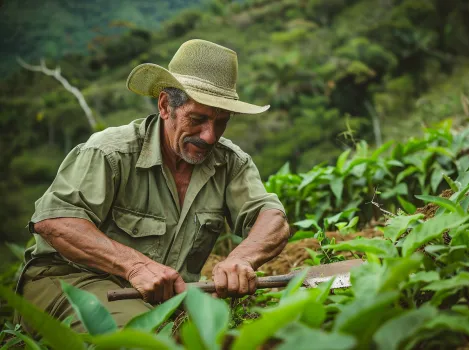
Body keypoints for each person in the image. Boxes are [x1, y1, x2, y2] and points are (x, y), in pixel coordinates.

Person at [16, 39, 289, 331]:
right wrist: (134, 266)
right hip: (69, 279)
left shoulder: (230, 163)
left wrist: (241, 260)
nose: (209, 136)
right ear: (164, 106)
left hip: (161, 298)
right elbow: (56, 222)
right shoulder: (110, 152)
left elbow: (272, 218)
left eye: (221, 122)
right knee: (140, 338)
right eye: (197, 119)